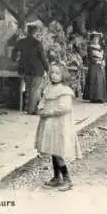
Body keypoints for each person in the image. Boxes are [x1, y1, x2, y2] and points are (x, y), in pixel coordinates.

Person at [35, 64, 82, 192]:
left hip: (59, 124)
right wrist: (40, 107)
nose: (53, 75)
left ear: (63, 75)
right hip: (49, 124)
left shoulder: (65, 90)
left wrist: (49, 112)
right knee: (53, 149)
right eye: (52, 73)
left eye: (57, 73)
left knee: (58, 152)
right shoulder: (48, 88)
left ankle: (67, 179)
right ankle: (57, 177)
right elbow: (43, 100)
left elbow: (64, 108)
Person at [13, 24, 49, 114]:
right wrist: (47, 68)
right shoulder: (38, 43)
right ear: (35, 32)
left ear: (27, 32)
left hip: (24, 70)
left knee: (30, 89)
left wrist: (14, 59)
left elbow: (14, 51)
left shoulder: (21, 42)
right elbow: (43, 58)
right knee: (34, 90)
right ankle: (31, 110)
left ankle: (35, 108)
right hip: (36, 70)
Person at [83, 32, 107, 103]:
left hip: (100, 66)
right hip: (94, 65)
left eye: (97, 39)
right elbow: (90, 57)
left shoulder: (100, 47)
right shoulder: (90, 47)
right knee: (94, 80)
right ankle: (93, 97)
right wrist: (96, 61)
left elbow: (104, 55)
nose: (96, 40)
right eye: (94, 39)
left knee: (100, 81)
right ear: (92, 39)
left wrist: (103, 61)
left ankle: (100, 97)